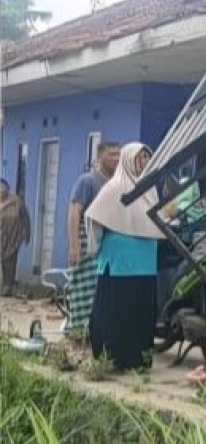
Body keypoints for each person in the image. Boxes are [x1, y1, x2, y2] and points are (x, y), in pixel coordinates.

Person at [84, 143, 166, 372]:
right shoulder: (115, 188)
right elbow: (94, 218)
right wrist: (95, 246)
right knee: (115, 313)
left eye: (147, 159)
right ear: (129, 160)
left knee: (140, 313)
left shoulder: (149, 190)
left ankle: (138, 360)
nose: (143, 163)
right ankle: (111, 359)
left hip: (145, 265)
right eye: (140, 158)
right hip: (119, 265)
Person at [67, 141, 121, 338]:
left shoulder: (118, 183)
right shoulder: (87, 181)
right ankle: (78, 332)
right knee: (84, 289)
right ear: (99, 157)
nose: (116, 159)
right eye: (111, 155)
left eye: (118, 155)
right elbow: (74, 212)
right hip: (87, 237)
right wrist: (75, 246)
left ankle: (98, 331)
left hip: (109, 241)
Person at [0, 179, 31, 297]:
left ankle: (8, 286)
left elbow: (25, 217)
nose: (2, 191)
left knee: (10, 261)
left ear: (8, 189)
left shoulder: (16, 201)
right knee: (3, 262)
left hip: (13, 236)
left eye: (4, 188)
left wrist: (28, 233)